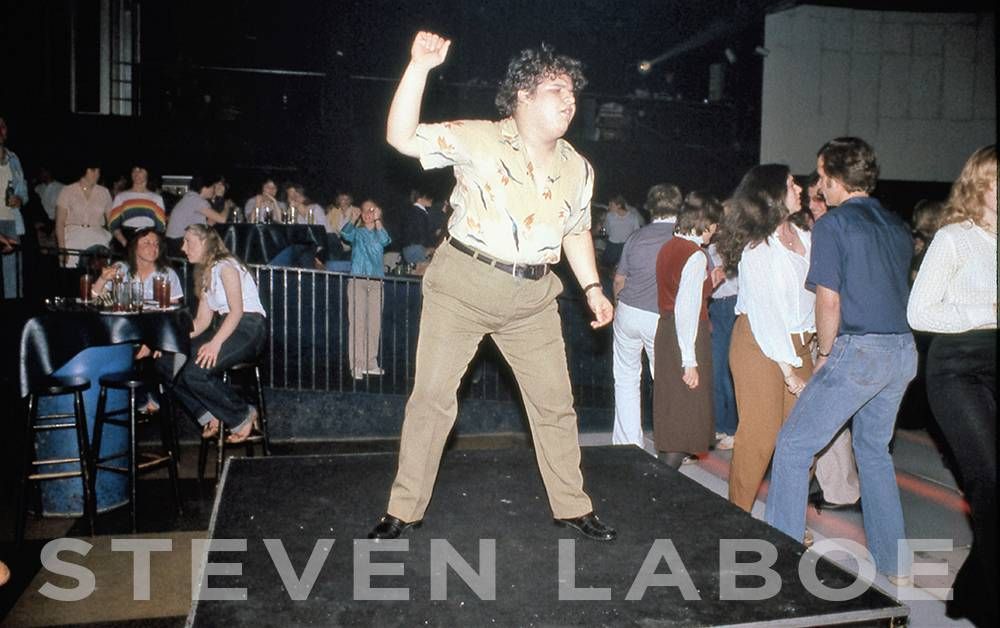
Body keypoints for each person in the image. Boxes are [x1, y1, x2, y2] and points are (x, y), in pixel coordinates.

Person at [369, 32, 615, 542]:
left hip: (532, 300)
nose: (568, 100)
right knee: (432, 399)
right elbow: (401, 136)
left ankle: (572, 506)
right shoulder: (478, 136)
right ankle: (404, 510)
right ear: (523, 95)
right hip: (462, 287)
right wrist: (418, 67)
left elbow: (576, 230)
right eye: (555, 90)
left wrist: (591, 286)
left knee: (555, 404)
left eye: (572, 93)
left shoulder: (579, 169)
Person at [766, 137, 916, 583]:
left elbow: (828, 300)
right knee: (874, 453)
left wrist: (828, 354)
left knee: (793, 447)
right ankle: (896, 565)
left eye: (820, 176)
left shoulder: (834, 224)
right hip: (903, 352)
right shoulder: (895, 225)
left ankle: (780, 564)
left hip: (859, 350)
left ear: (833, 179)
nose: (817, 185)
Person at [907, 144, 996, 626]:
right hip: (958, 367)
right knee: (989, 481)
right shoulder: (955, 239)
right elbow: (919, 313)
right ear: (977, 185)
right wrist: (988, 314)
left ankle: (972, 594)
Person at [716, 165, 817, 513]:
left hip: (799, 343)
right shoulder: (758, 249)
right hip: (759, 344)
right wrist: (789, 371)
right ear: (772, 194)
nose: (799, 188)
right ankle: (737, 516)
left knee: (802, 440)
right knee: (759, 437)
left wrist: (813, 349)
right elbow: (766, 314)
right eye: (791, 184)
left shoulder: (805, 237)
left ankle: (787, 520)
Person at [174, 223, 267, 443]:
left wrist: (215, 344)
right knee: (171, 365)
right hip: (229, 327)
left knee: (195, 372)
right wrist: (172, 343)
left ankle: (243, 414)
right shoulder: (207, 273)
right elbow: (202, 321)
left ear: (205, 242)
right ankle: (210, 414)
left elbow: (236, 311)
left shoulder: (226, 266)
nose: (182, 247)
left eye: (188, 241)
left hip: (249, 328)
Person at [610, 183, 682, 447]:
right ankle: (671, 445)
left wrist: (619, 307)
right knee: (666, 382)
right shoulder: (682, 239)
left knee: (626, 379)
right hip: (660, 318)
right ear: (678, 206)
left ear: (650, 207)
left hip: (628, 313)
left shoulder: (636, 237)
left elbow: (619, 280)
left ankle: (628, 444)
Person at [653, 202, 722, 468]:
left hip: (667, 332)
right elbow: (687, 309)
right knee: (685, 417)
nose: (714, 232)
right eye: (714, 225)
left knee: (673, 416)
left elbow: (678, 293)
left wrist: (709, 283)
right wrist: (690, 361)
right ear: (703, 222)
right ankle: (662, 487)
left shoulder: (669, 247)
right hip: (687, 335)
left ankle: (662, 483)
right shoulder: (695, 255)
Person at [341, 199, 391, 380]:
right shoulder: (358, 232)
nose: (368, 214)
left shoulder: (379, 232)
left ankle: (371, 363)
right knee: (357, 323)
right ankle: (357, 364)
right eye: (365, 211)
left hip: (377, 281)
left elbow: (385, 240)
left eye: (372, 210)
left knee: (374, 323)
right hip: (357, 279)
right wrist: (353, 219)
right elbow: (345, 234)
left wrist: (378, 221)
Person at [55, 164, 112, 268]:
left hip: (98, 239)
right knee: (72, 278)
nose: (96, 174)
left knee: (99, 278)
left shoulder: (104, 192)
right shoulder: (67, 191)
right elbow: (60, 223)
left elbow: (111, 222)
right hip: (73, 239)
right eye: (92, 170)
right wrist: (62, 248)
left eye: (98, 171)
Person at [0, 115, 28, 297]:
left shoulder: (14, 158)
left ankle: (13, 317)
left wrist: (20, 199)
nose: (0, 130)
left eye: (2, 126)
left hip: (12, 223)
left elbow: (24, 193)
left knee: (14, 280)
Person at [165, 175, 228, 256]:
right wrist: (226, 205)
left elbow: (210, 223)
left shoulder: (190, 197)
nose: (214, 190)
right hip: (180, 245)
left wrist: (218, 199)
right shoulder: (196, 200)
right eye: (213, 187)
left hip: (174, 245)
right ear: (205, 188)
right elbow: (222, 219)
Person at [108, 164, 167, 248]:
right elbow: (113, 224)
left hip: (148, 239)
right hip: (127, 239)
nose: (136, 173)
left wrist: (151, 243)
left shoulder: (156, 199)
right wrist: (124, 241)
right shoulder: (121, 197)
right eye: (134, 170)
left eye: (140, 170)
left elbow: (161, 227)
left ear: (147, 174)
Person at [601, 194, 643, 268]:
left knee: (620, 268)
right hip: (614, 246)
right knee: (609, 267)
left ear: (619, 205)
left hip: (623, 247)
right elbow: (606, 229)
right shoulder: (610, 216)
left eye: (611, 204)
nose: (609, 207)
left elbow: (637, 232)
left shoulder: (632, 217)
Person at [399, 189, 437, 266]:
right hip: (417, 249)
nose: (431, 199)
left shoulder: (412, 211)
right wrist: (429, 248)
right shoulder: (419, 213)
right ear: (419, 199)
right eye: (428, 197)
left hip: (409, 249)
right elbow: (422, 233)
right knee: (421, 272)